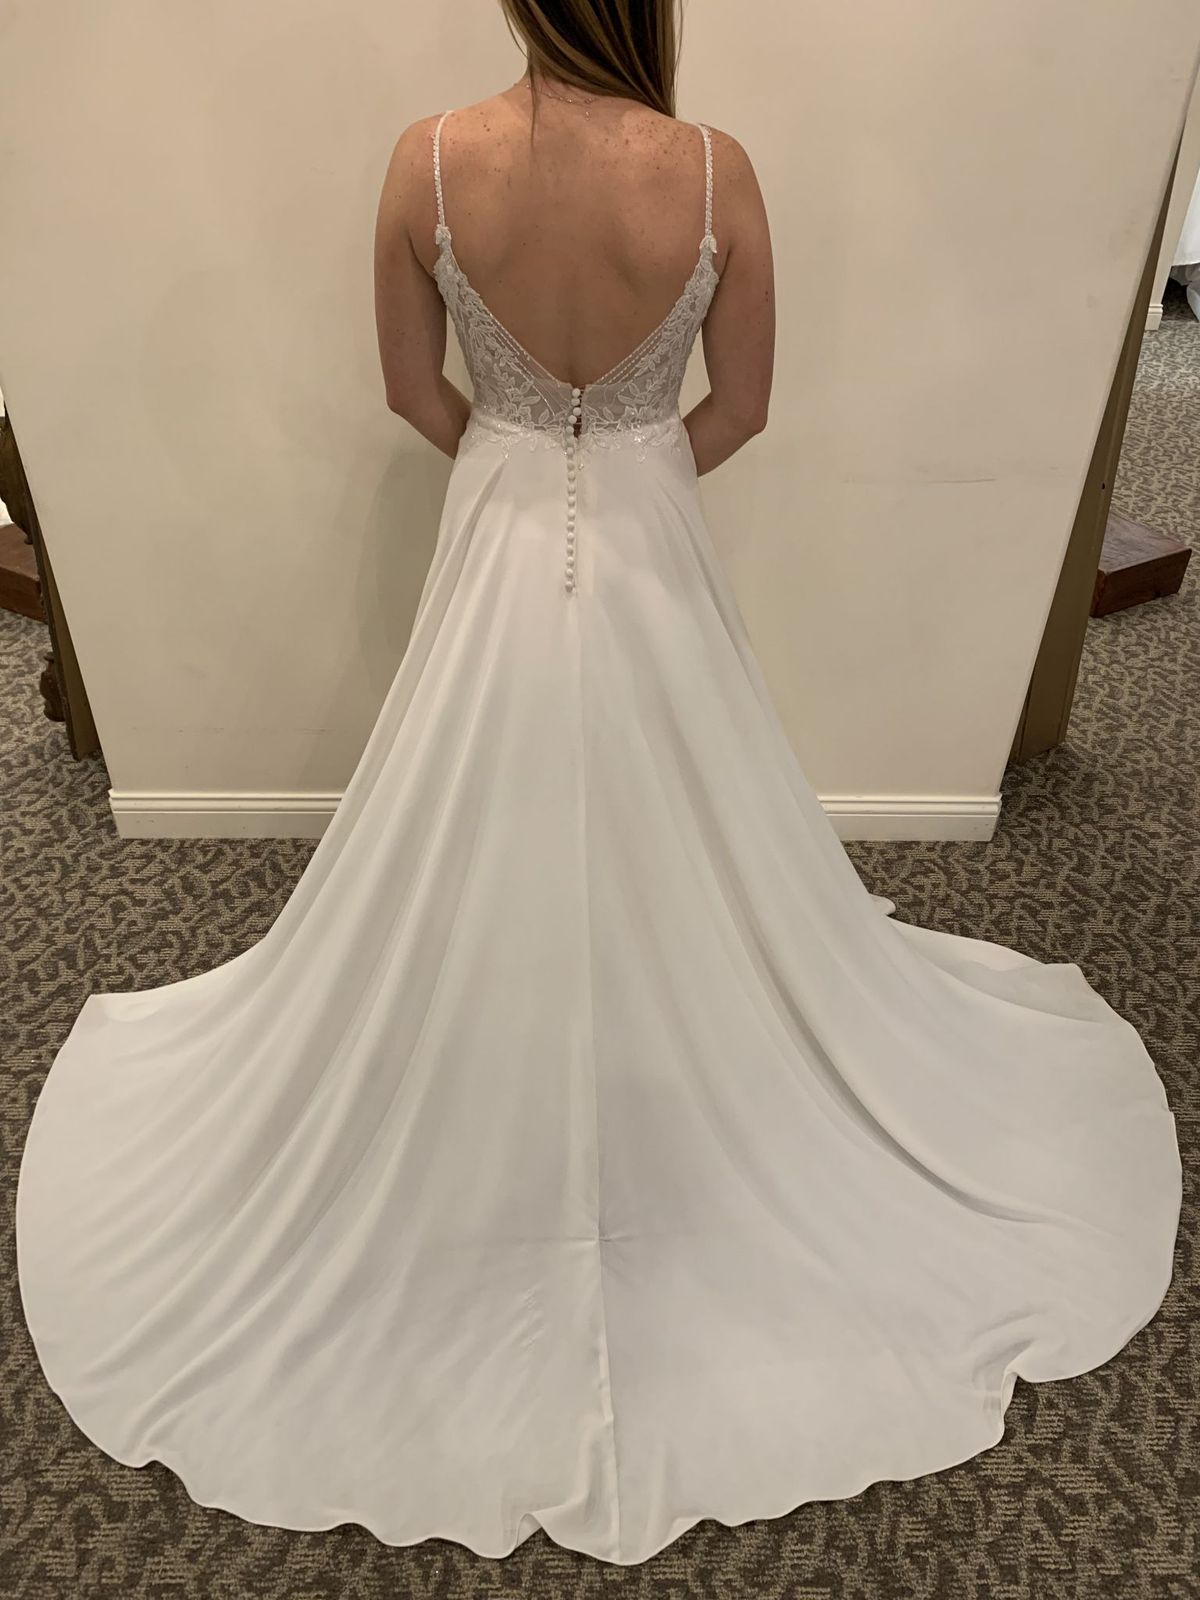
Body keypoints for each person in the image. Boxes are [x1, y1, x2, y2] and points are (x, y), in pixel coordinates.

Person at [17, 0, 1181, 1570]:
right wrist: (623, 467)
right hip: (649, 518)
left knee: (473, 796)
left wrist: (523, 459)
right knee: (687, 796)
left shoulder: (427, 162)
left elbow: (410, 391)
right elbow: (744, 405)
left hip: (499, 507)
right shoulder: (713, 171)